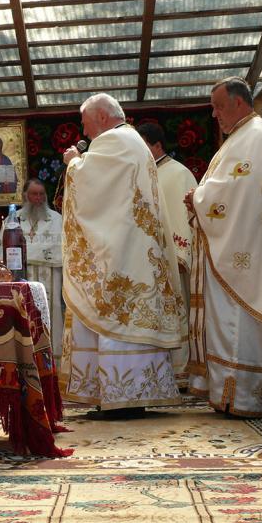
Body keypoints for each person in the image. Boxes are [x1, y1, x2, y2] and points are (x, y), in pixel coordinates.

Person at [60, 93, 185, 419]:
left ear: (102, 117)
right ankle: (126, 396)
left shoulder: (115, 141)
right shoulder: (130, 141)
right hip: (130, 248)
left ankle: (121, 399)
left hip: (122, 254)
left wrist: (74, 162)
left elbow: (91, 184)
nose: (85, 133)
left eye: (86, 124)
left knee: (115, 314)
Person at [185, 77, 262, 418]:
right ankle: (230, 395)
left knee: (239, 326)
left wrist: (198, 198)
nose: (214, 115)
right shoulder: (242, 137)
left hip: (245, 254)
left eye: (218, 106)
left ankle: (244, 398)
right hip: (240, 247)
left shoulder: (255, 136)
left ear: (239, 103)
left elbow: (236, 194)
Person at [137, 122, 197, 388]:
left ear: (157, 144)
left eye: (143, 146)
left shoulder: (178, 173)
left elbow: (186, 217)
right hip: (147, 261)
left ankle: (181, 373)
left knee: (177, 314)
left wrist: (181, 255)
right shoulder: (144, 172)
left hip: (174, 262)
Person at [0, 178, 64, 358]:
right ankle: (24, 355)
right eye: (34, 194)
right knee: (22, 315)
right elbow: (1, 251)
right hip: (19, 278)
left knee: (50, 313)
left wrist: (26, 252)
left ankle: (51, 356)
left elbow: (61, 249)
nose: (38, 198)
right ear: (25, 196)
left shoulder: (57, 219)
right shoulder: (12, 219)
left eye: (41, 194)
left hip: (50, 279)